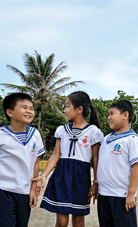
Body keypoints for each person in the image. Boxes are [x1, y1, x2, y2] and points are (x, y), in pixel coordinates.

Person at [34, 91, 103, 227]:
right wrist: (43, 175)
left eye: (66, 106)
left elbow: (96, 159)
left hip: (81, 178)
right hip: (61, 176)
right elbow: (55, 155)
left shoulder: (94, 132)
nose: (64, 110)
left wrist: (96, 182)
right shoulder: (62, 130)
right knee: (61, 221)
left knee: (78, 221)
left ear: (79, 109)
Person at [96, 100, 138, 227]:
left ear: (125, 115)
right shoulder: (105, 140)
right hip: (103, 194)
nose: (109, 118)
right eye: (108, 115)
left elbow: (137, 166)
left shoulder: (132, 139)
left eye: (112, 114)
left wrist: (131, 193)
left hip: (121, 196)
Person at [0, 92, 45, 227]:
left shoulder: (35, 134)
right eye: (24, 107)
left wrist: (32, 189)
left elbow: (36, 162)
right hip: (4, 191)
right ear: (10, 112)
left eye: (31, 108)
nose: (29, 111)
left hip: (24, 192)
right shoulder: (2, 134)